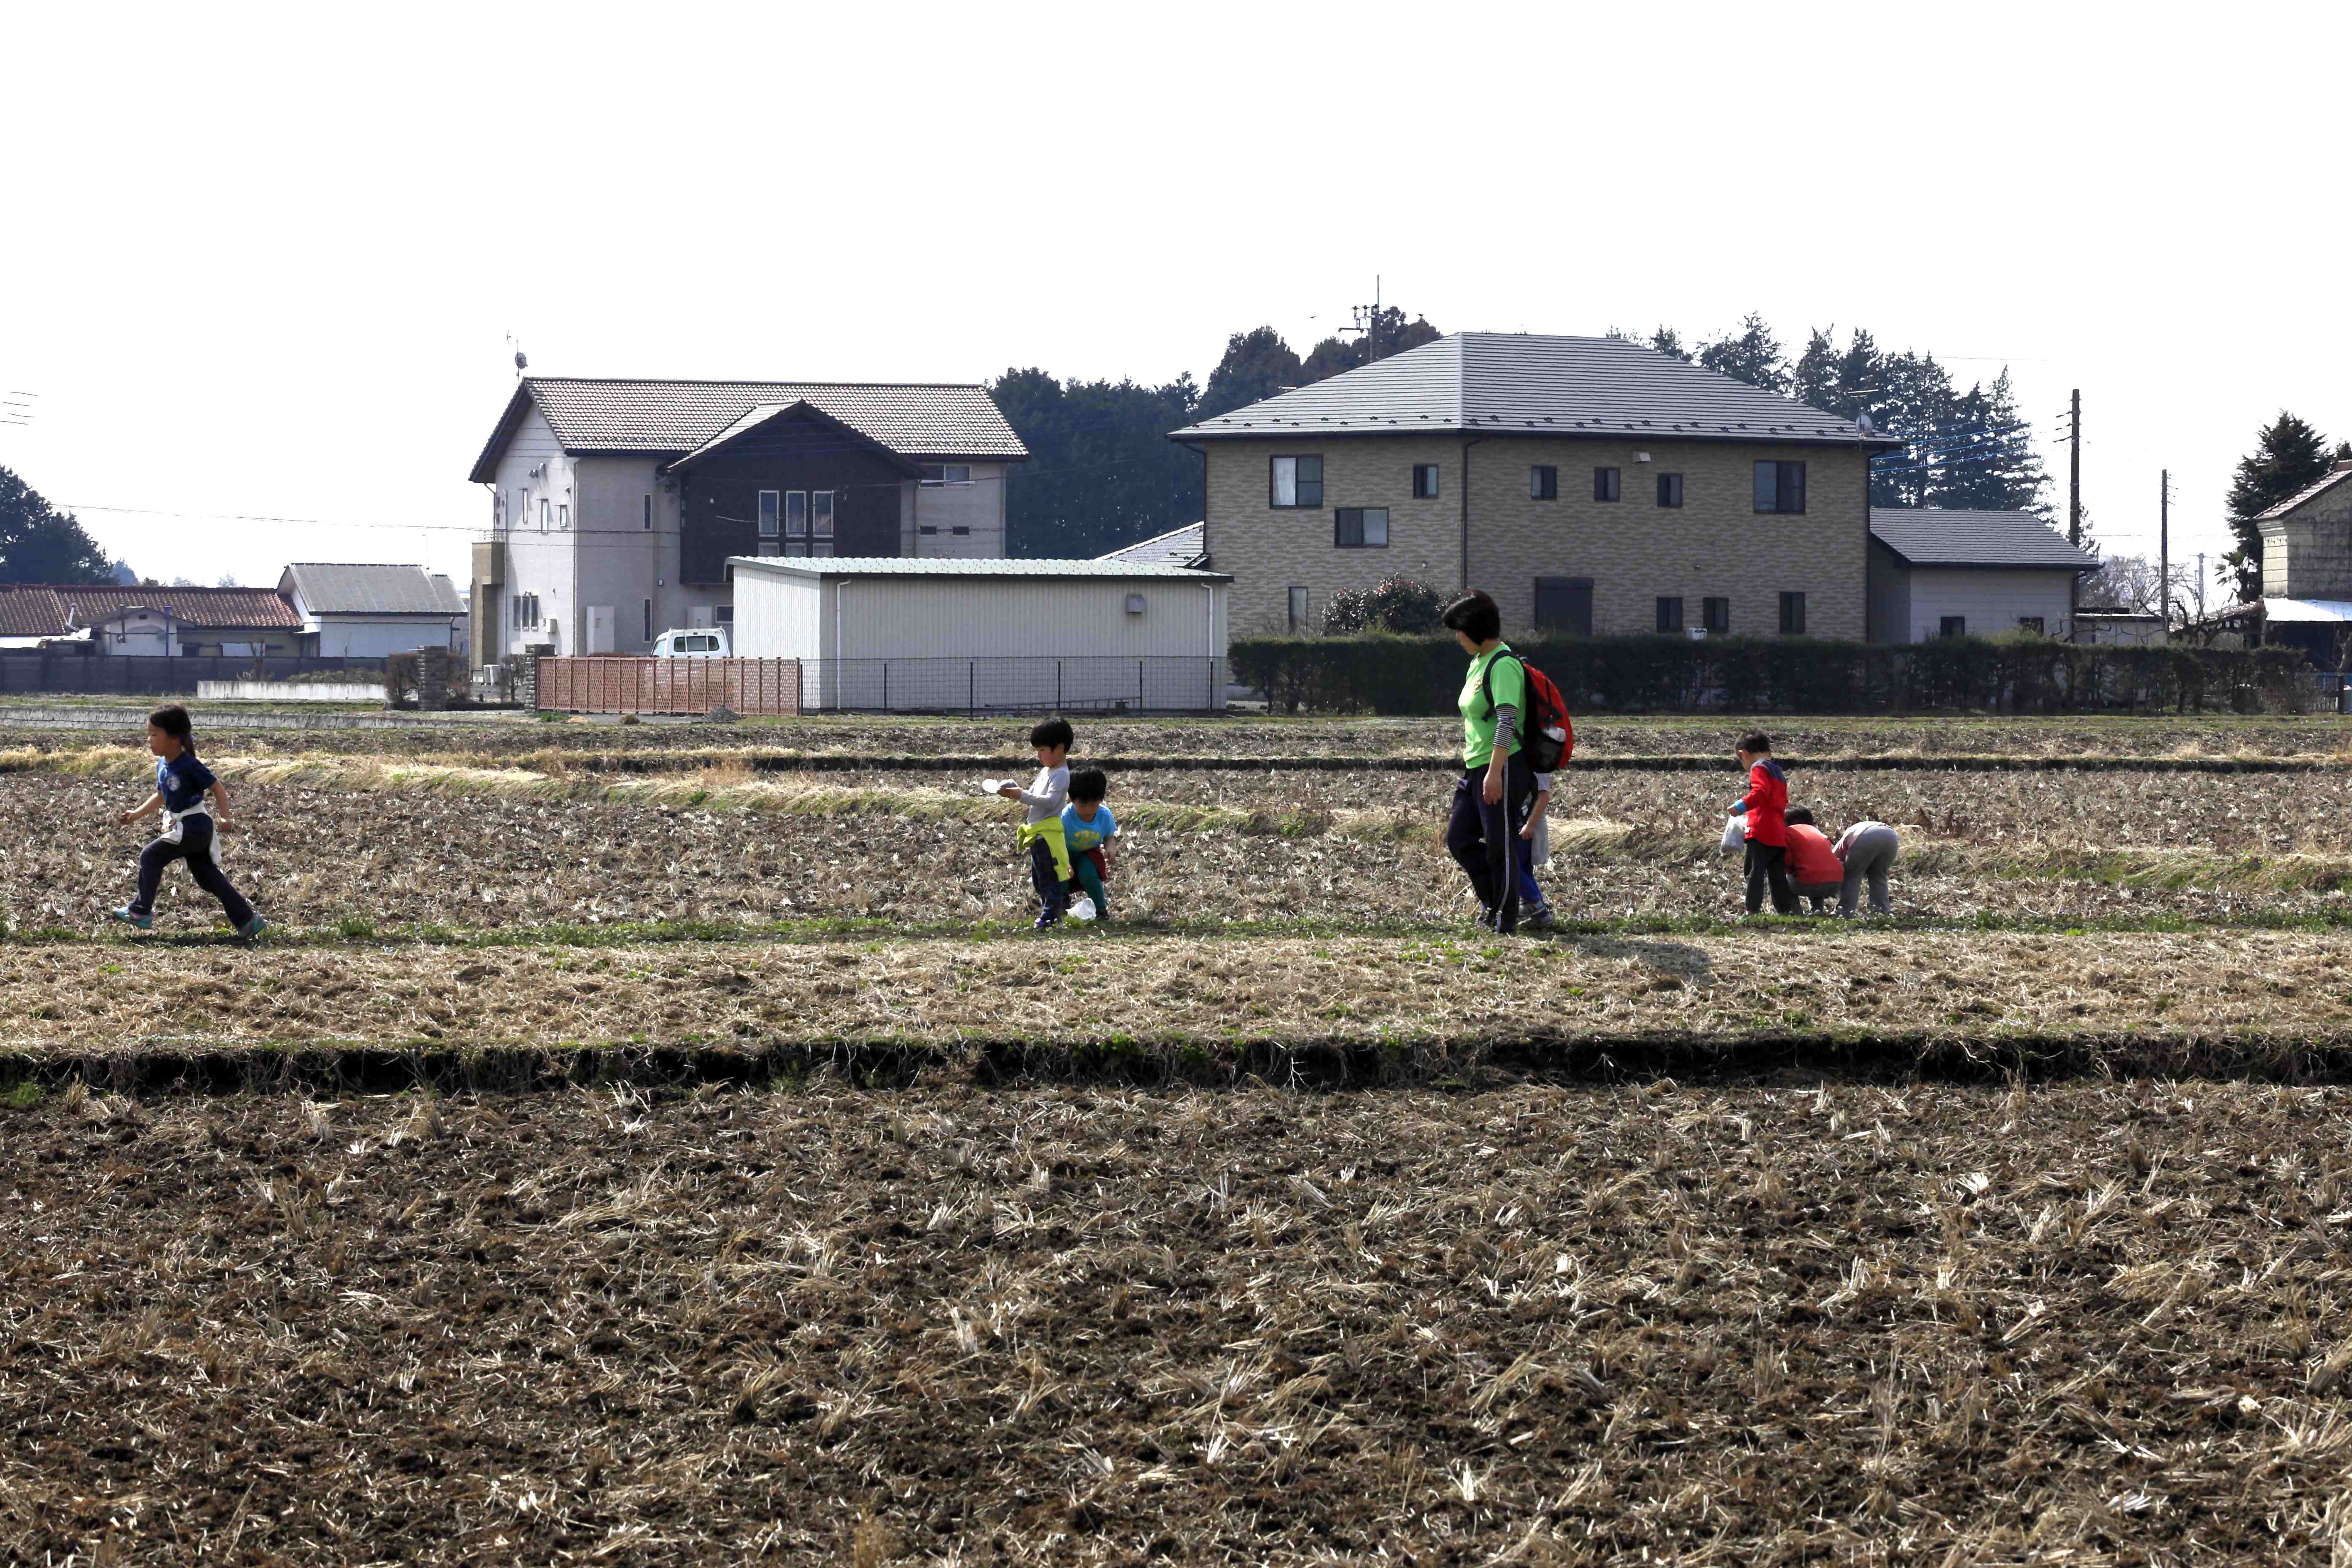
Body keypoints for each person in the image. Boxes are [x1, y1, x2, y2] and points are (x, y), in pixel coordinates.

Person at [111, 704, 266, 939]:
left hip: (194, 825)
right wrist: (136, 814)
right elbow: (161, 796)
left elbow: (218, 788)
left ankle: (140, 911)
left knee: (150, 856)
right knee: (207, 877)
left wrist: (226, 816)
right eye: (148, 735)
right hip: (189, 828)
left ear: (174, 738)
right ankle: (248, 921)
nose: (149, 740)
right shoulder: (162, 764)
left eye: (155, 735)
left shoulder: (189, 765)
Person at [1440, 589, 1536, 933]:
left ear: (1475, 628)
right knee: (1459, 839)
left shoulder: (1503, 665)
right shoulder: (1477, 663)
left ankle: (1505, 920)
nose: (1457, 637)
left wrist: (1495, 773)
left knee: (1500, 847)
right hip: (1475, 767)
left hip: (1502, 766)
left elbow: (1507, 721)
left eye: (1460, 630)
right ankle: (1495, 902)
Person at [995, 717, 1072, 929]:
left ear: (1059, 748)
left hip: (1048, 835)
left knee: (1049, 877)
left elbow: (1051, 802)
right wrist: (1014, 789)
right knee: (1039, 879)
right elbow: (1033, 795)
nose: (1038, 755)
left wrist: (1021, 795)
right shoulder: (1047, 771)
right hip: (1037, 834)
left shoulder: (1061, 775)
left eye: (1042, 750)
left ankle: (1050, 915)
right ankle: (1056, 909)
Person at [1728, 730, 1795, 916]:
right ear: (1770, 752)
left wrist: (1741, 806)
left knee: (1754, 872)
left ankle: (1752, 912)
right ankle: (1785, 912)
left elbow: (1760, 792)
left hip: (1760, 830)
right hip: (1778, 832)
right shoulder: (1778, 771)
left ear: (1743, 754)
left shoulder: (1758, 768)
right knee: (1777, 875)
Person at [1059, 768, 1117, 920]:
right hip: (1065, 853)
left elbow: (1109, 836)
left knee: (1090, 876)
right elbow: (1058, 840)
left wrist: (1110, 849)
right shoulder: (1065, 817)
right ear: (1072, 799)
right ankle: (1060, 908)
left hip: (1088, 854)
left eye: (1094, 805)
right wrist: (1065, 862)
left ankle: (1101, 911)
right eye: (1083, 805)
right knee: (1062, 878)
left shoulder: (1104, 815)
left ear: (1101, 800)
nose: (1088, 810)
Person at [1831, 818, 1900, 917]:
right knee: (1879, 876)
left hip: (1866, 836)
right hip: (1891, 836)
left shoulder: (1846, 837)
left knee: (1852, 876)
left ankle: (1844, 913)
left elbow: (1833, 858)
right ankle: (1881, 914)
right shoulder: (1854, 830)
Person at [1513, 770, 1555, 929]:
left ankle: (1535, 904)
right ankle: (1540, 915)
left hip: (1529, 829)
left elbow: (1543, 797)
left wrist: (1530, 825)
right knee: (1524, 869)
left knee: (1512, 866)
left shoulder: (1539, 767)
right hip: (1523, 826)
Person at [1781, 807, 1844, 914]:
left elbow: (1787, 861)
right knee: (1814, 875)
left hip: (1810, 883)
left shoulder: (1788, 833)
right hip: (1837, 882)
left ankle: (1796, 914)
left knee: (1780, 882)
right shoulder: (1817, 832)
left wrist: (1791, 870)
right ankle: (1817, 912)